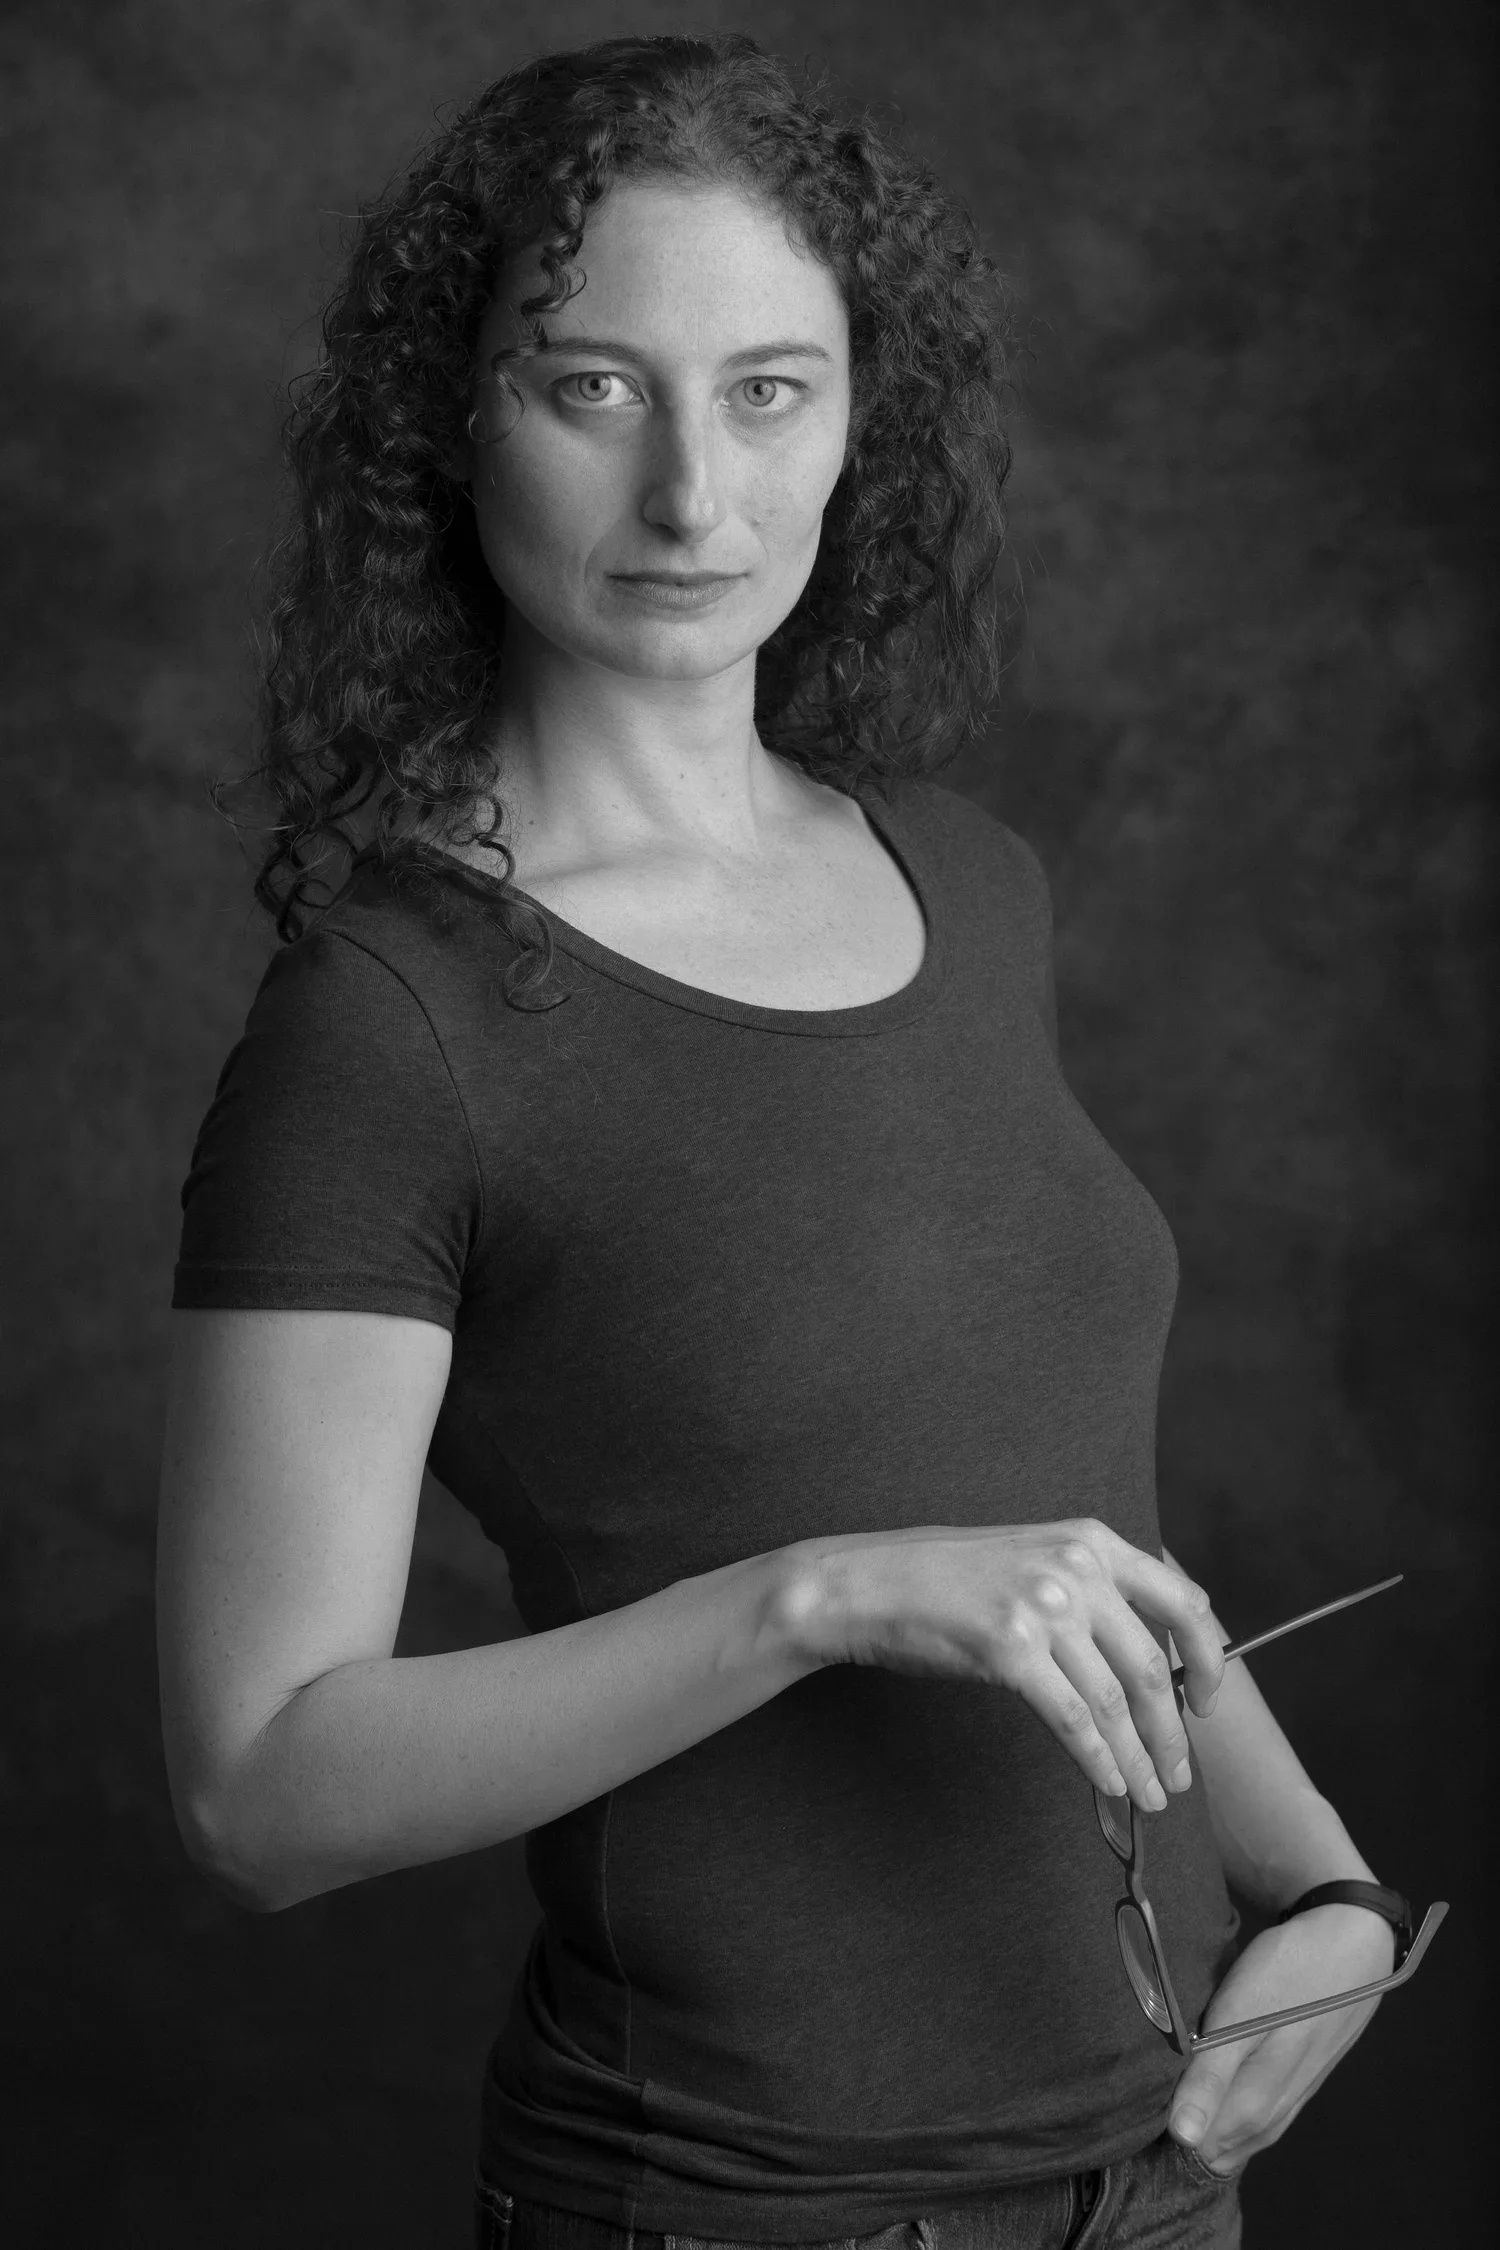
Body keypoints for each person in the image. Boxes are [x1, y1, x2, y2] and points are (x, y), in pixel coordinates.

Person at [156, 33, 1408, 2250]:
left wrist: (1305, 1879)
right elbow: (259, 1785)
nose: (693, 504)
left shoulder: (968, 878)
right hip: (744, 2211)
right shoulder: (392, 1019)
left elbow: (1076, 1529)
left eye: (767, 391)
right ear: (452, 417)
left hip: (1160, 2182)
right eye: (591, 386)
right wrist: (817, 1601)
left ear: (860, 417)